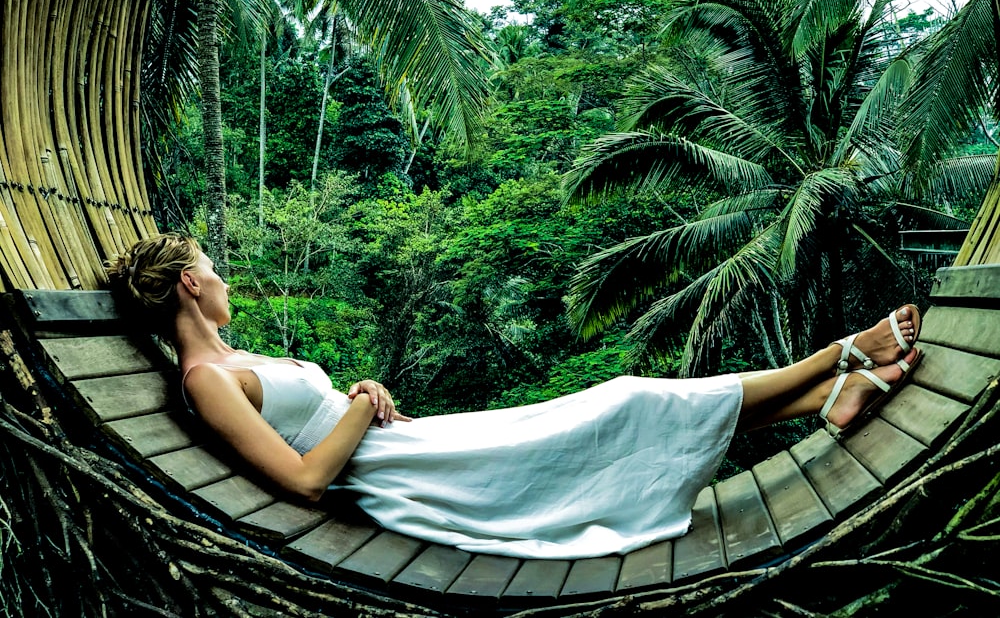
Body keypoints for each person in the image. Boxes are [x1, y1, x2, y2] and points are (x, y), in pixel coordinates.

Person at [107, 233, 921, 559]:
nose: (223, 279)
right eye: (212, 269)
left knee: (625, 408)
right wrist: (360, 401)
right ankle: (841, 353)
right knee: (631, 401)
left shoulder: (229, 358)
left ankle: (828, 398)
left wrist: (361, 399)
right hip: (406, 472)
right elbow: (307, 479)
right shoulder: (208, 380)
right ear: (188, 284)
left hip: (419, 444)